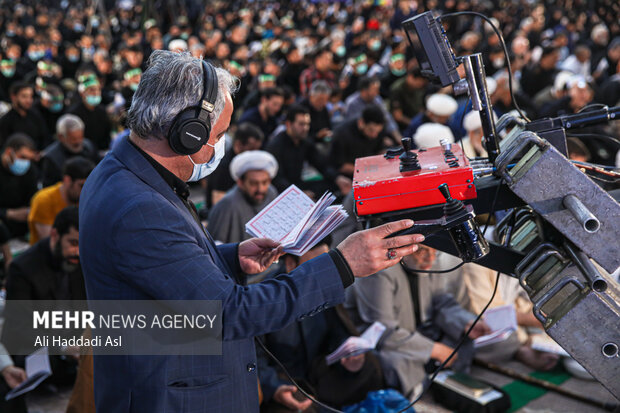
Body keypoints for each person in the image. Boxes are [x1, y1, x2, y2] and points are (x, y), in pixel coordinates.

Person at [79, 51, 424, 412]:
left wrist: (228, 258)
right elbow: (229, 314)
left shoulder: (121, 168)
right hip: (172, 396)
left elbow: (160, 268)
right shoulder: (140, 207)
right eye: (220, 133)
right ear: (188, 132)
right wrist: (343, 265)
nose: (220, 146)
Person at [344, 245, 491, 399]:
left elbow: (441, 303)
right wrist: (434, 349)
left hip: (420, 332)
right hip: (384, 342)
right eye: (422, 251)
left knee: (463, 338)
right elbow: (383, 330)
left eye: (435, 252)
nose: (431, 258)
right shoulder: (379, 272)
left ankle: (446, 384)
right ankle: (420, 390)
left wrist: (466, 323)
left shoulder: (430, 263)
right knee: (396, 362)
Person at [257, 238, 384, 412]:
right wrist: (275, 387)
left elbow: (338, 334)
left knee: (369, 367)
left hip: (318, 372)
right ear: (290, 264)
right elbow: (254, 358)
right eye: (314, 268)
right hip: (283, 380)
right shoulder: (264, 296)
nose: (322, 274)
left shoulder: (324, 285)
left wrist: (350, 354)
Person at [1, 206, 85, 406]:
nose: (78, 251)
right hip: (36, 346)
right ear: (55, 235)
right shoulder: (23, 269)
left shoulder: (81, 260)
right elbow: (22, 326)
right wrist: (64, 346)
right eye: (73, 243)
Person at [266, 104, 351, 197]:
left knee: (335, 184)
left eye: (307, 124)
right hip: (283, 190)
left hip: (299, 184)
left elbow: (321, 164)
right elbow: (277, 179)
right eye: (301, 124)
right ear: (288, 124)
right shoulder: (276, 145)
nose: (305, 128)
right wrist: (299, 194)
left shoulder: (304, 141)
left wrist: (337, 178)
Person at [207, 150, 279, 243]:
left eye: (264, 182)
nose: (260, 189)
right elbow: (216, 246)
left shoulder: (271, 193)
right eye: (253, 183)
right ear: (240, 182)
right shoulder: (227, 205)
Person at [28, 156, 94, 245]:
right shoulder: (44, 200)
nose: (86, 191)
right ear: (67, 180)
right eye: (82, 186)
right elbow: (51, 242)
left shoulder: (88, 199)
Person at [0, 134, 38, 270]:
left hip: (22, 230)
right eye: (22, 157)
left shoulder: (30, 171)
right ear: (9, 152)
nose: (25, 163)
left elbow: (34, 199)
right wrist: (8, 213)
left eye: (29, 159)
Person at [206, 122, 264, 206]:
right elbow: (219, 203)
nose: (255, 154)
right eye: (251, 149)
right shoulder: (224, 167)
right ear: (238, 145)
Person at [39, 114, 99, 187]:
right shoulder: (51, 158)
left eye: (80, 137)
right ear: (61, 137)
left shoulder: (89, 147)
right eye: (73, 139)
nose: (78, 142)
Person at [329, 105, 386, 178]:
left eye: (378, 132)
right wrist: (368, 172)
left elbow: (380, 150)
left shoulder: (378, 131)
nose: (374, 135)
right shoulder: (342, 134)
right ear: (361, 123)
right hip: (348, 175)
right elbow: (340, 166)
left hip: (370, 169)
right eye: (371, 130)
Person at [67, 74, 112, 151]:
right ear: (82, 93)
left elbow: (106, 135)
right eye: (92, 90)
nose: (96, 93)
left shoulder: (102, 111)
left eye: (98, 89)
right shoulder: (73, 113)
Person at [0, 81, 48, 149]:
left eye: (30, 96)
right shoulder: (5, 121)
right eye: (24, 96)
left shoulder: (36, 114)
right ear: (13, 97)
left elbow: (45, 137)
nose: (29, 100)